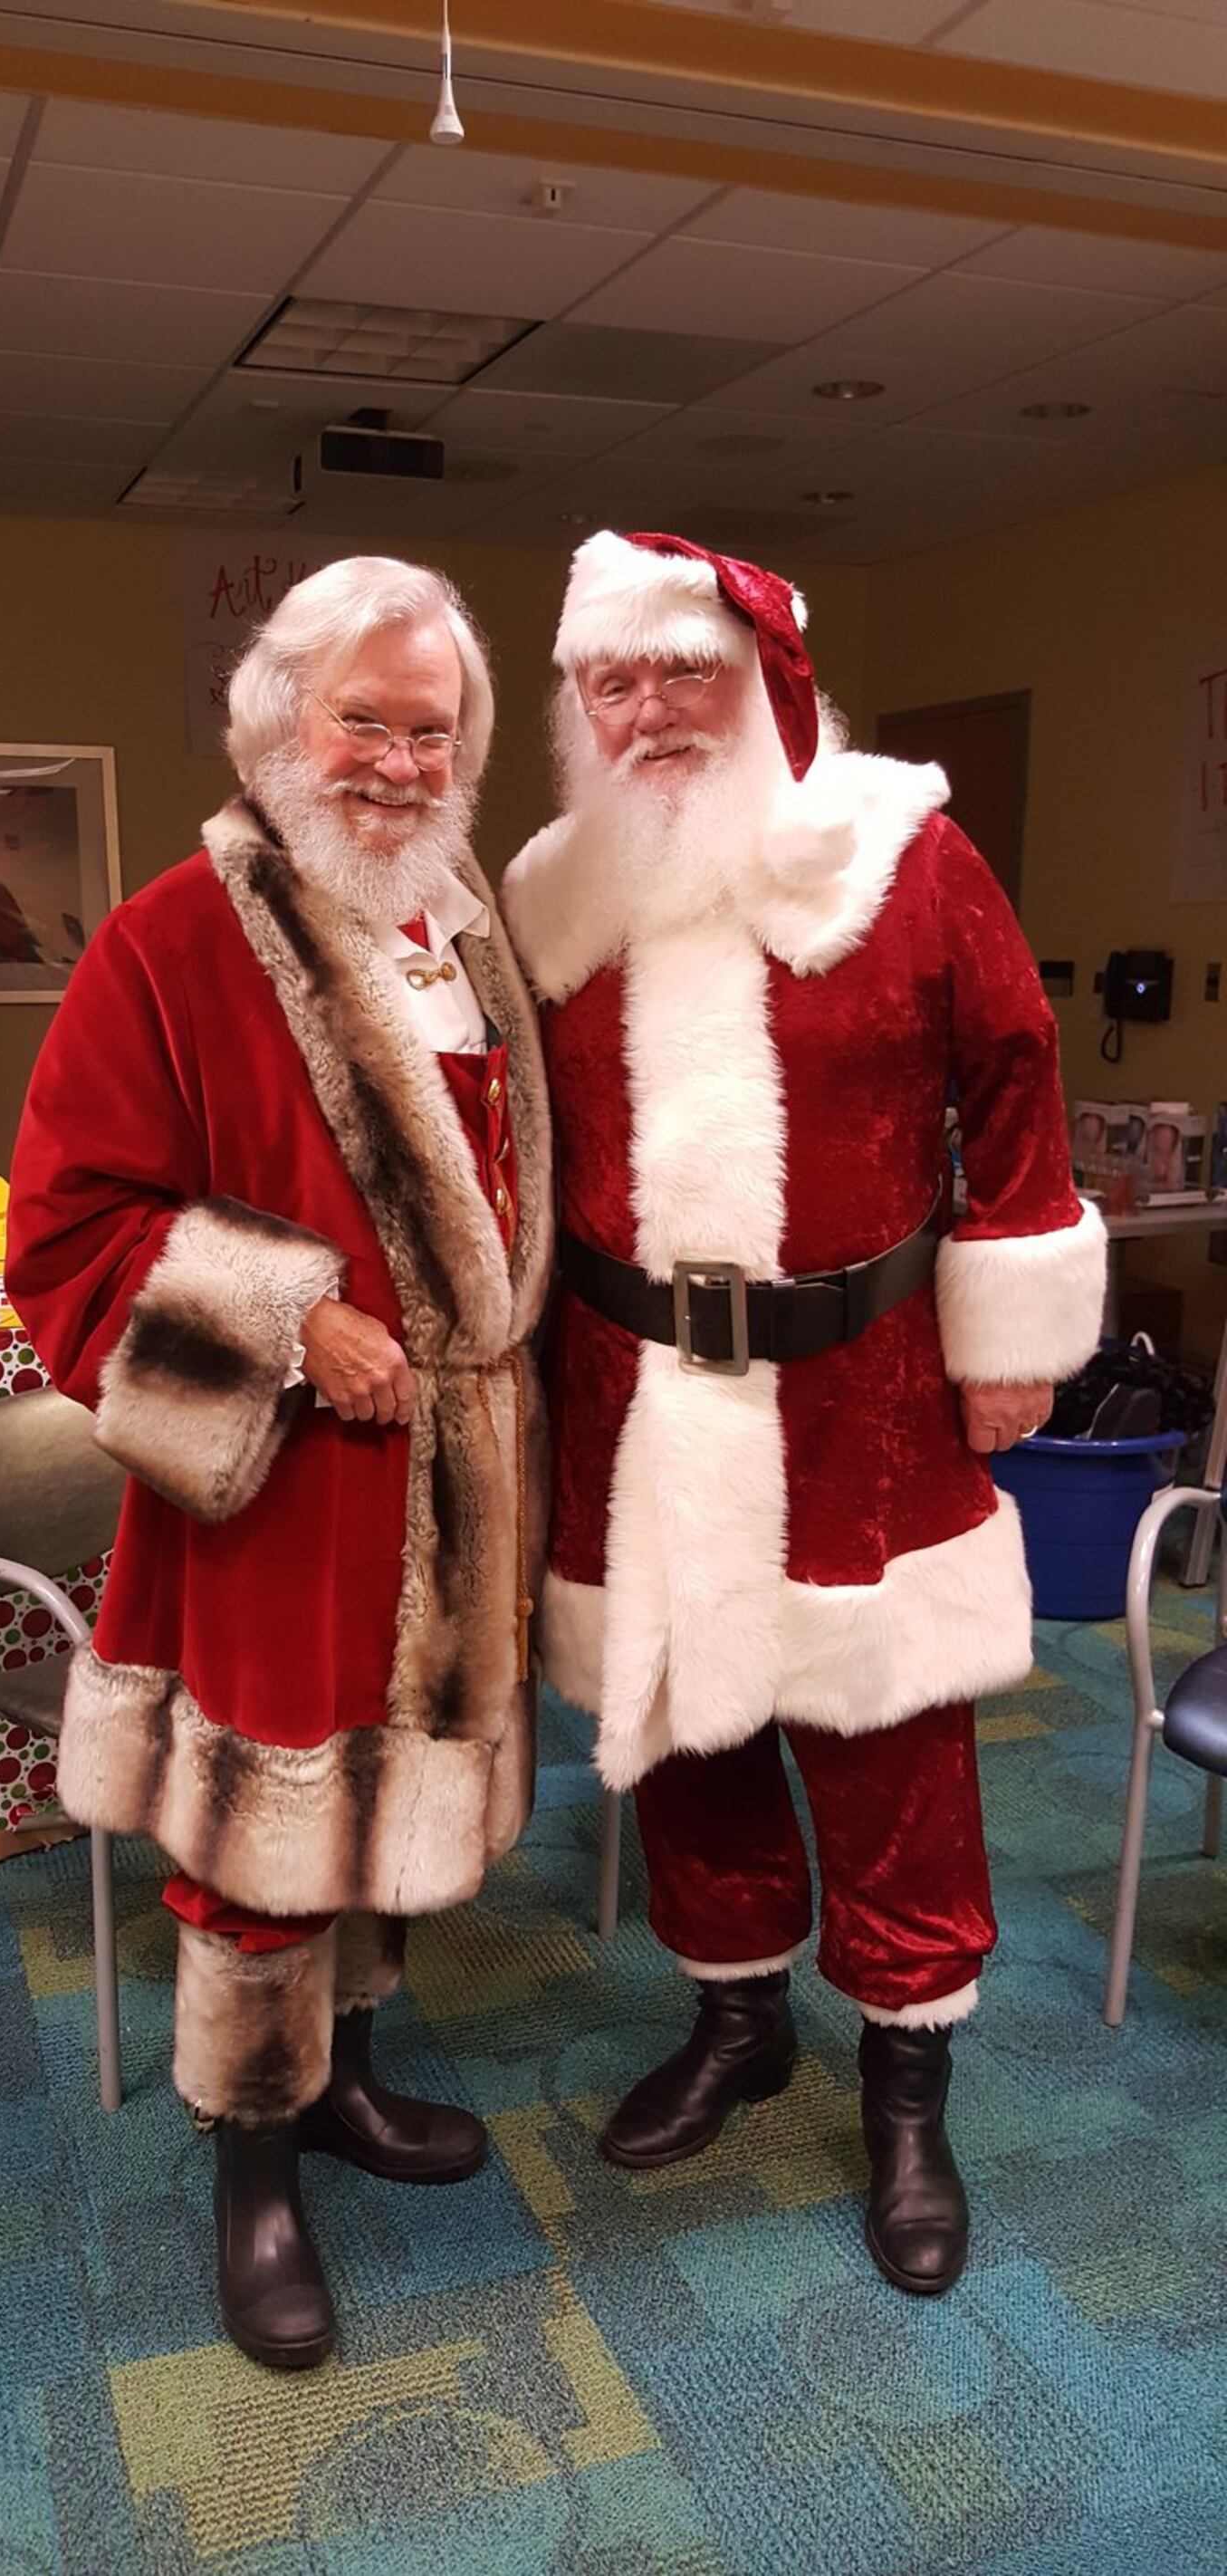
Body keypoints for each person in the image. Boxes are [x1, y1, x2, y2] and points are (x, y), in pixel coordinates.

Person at [503, 531, 1106, 2296]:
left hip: (862, 1385)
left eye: (677, 671)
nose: (644, 709)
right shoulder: (551, 893)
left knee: (885, 1737)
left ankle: (904, 2083)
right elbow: (518, 1154)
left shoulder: (901, 857)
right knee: (690, 1728)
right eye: (608, 680)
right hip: (627, 1389)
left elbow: (1013, 1084)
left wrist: (1011, 1332)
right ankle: (734, 2016)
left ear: (761, 678)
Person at [6, 557, 551, 2369]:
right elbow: (69, 1232)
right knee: (263, 1838)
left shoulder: (466, 931)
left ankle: (345, 2086)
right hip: (277, 1492)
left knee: (386, 1798)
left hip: (449, 1487)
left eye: (431, 727)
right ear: (276, 725)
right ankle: (252, 2160)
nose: (399, 761)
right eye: (364, 720)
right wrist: (284, 1315)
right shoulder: (170, 933)